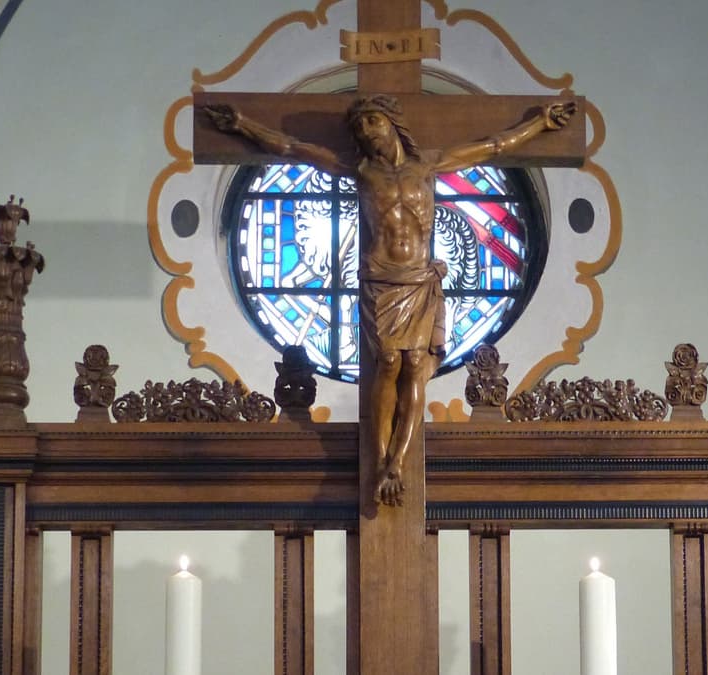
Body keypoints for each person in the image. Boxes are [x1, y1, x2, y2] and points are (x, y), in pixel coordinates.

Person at [206, 94, 575, 505]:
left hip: (419, 281)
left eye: (373, 122)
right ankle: (380, 458)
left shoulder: (428, 165)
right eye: (360, 127)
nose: (366, 132)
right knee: (388, 361)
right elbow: (293, 148)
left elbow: (494, 147)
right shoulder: (360, 171)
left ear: (393, 123)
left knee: (415, 364)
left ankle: (396, 462)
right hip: (380, 281)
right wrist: (241, 125)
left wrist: (540, 124)